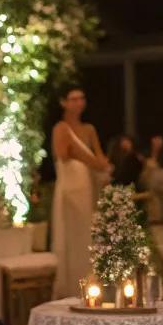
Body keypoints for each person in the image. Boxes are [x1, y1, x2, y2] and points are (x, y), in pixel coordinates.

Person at [51, 86, 108, 298]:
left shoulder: (89, 129)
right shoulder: (60, 128)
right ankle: (69, 286)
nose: (78, 103)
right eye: (73, 99)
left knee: (87, 233)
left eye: (81, 98)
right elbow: (63, 154)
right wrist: (90, 160)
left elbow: (99, 157)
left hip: (85, 184)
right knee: (71, 233)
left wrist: (101, 164)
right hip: (69, 184)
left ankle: (90, 282)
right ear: (64, 102)